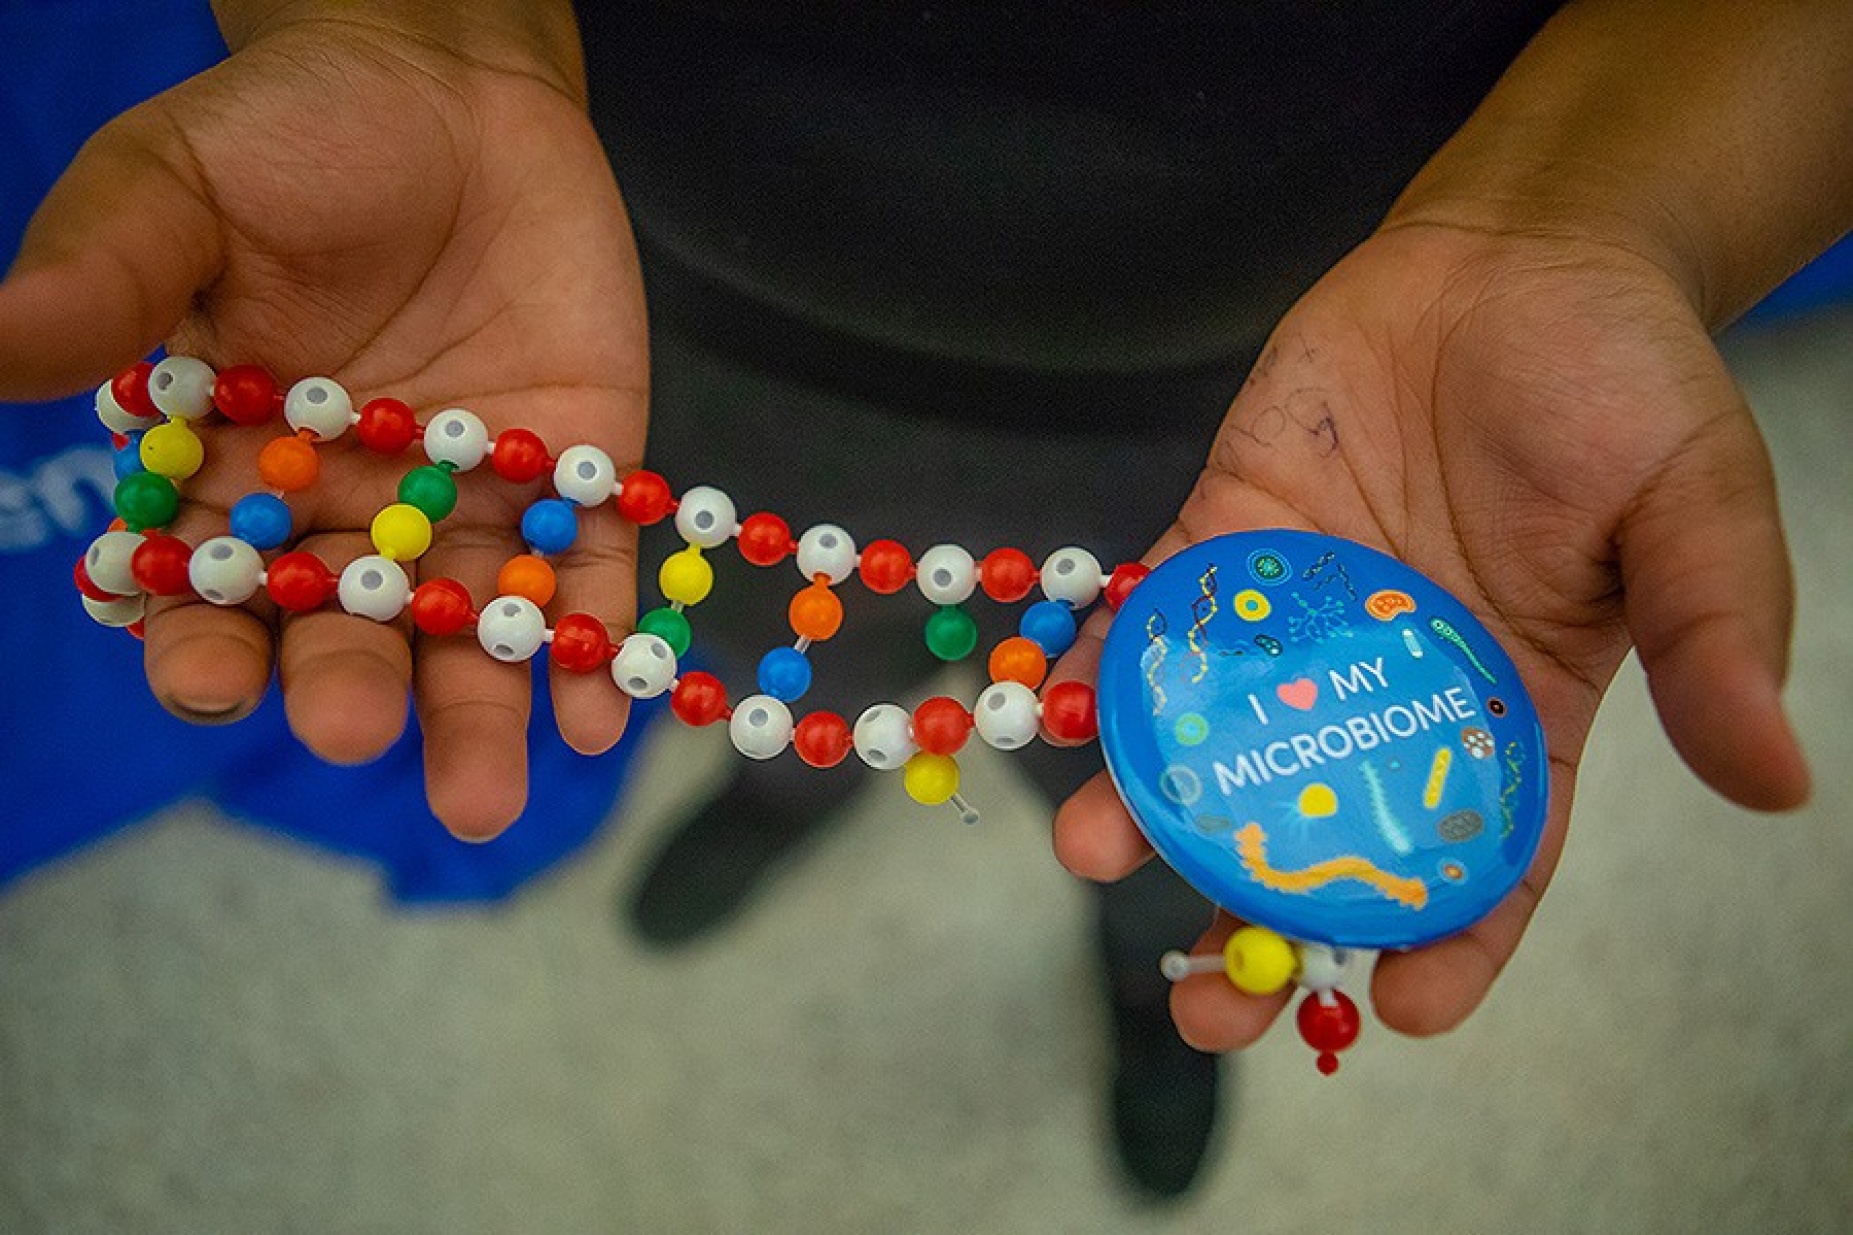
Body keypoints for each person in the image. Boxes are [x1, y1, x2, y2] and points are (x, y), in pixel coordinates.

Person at [0, 0, 1841, 1196]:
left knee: (1166, 817)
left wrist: (1586, 215)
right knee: (749, 662)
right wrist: (421, 36)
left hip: (1303, 408)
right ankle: (783, 791)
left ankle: (1140, 984)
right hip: (633, 333)